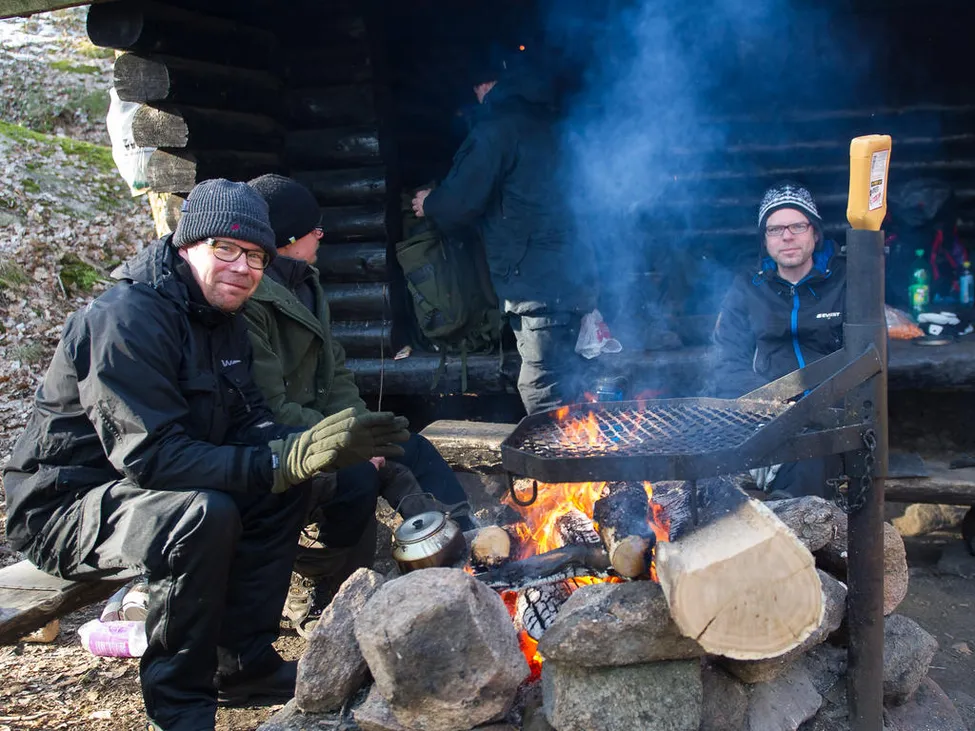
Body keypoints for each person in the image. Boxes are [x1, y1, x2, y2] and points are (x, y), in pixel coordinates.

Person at [2, 179, 409, 731]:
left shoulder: (225, 319)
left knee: (284, 488)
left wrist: (304, 452)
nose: (243, 267)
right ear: (186, 244)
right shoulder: (127, 318)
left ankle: (243, 667)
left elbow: (244, 423)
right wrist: (278, 459)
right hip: (67, 505)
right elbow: (151, 457)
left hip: (152, 491)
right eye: (226, 249)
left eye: (257, 256)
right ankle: (181, 708)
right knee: (204, 514)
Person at [244, 174, 476, 636]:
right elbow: (271, 407)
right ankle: (326, 598)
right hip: (287, 441)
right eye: (314, 229)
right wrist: (347, 441)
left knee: (410, 447)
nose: (322, 237)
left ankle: (468, 546)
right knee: (358, 478)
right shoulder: (252, 301)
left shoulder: (305, 282)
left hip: (325, 425)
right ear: (289, 239)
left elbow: (338, 374)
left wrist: (360, 426)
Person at [410, 55, 597, 415]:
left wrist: (431, 203)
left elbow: (460, 201)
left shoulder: (497, 128)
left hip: (537, 284)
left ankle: (565, 469)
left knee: (543, 386)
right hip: (575, 276)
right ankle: (585, 459)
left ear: (484, 86)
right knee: (571, 379)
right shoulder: (555, 124)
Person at [711, 181, 847, 498]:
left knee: (808, 459)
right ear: (765, 240)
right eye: (775, 229)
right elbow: (726, 363)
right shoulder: (747, 287)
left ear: (815, 232)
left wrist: (819, 407)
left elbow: (872, 355)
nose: (786, 236)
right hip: (769, 415)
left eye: (797, 226)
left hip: (834, 416)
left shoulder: (846, 280)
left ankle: (793, 532)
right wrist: (772, 404)